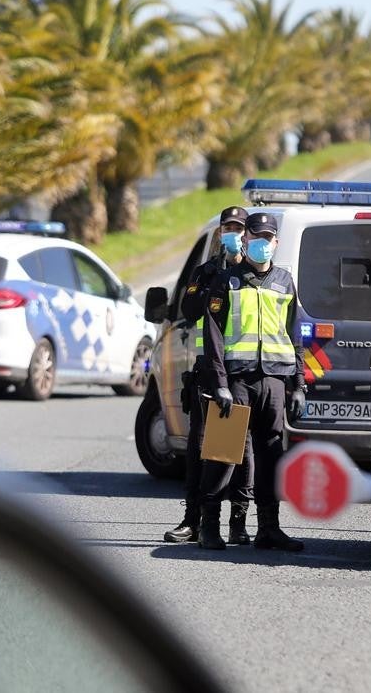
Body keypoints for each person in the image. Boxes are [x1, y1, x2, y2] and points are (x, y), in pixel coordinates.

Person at [199, 212, 307, 551]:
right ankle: (210, 527)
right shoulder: (228, 280)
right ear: (245, 241)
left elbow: (295, 333)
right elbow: (212, 332)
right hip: (236, 381)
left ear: (275, 242)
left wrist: (299, 384)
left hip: (273, 381)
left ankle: (268, 529)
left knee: (271, 456)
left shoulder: (284, 282)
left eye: (267, 238)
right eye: (255, 237)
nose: (260, 243)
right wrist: (219, 383)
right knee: (222, 454)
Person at [163, 206, 250, 543]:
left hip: (240, 373)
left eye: (239, 228)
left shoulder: (253, 273)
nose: (233, 234)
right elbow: (190, 309)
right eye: (228, 228)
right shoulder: (206, 271)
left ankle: (237, 523)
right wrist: (219, 272)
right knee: (201, 448)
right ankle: (193, 520)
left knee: (236, 450)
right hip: (207, 374)